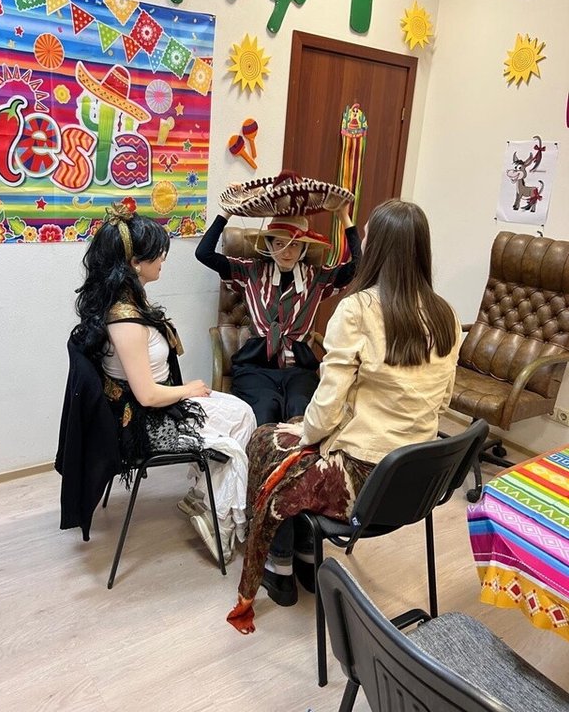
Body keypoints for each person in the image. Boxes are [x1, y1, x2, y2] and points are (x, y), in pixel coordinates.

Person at [226, 199, 463, 634]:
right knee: (289, 436)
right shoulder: (446, 314)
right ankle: (307, 556)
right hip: (419, 481)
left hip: (365, 480)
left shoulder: (358, 310)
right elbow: (443, 401)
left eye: (367, 235)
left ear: (379, 247)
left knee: (266, 442)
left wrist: (306, 435)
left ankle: (279, 567)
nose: (362, 242)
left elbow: (325, 410)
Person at [72, 203, 256, 564]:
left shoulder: (128, 301)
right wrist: (190, 389)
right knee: (239, 422)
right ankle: (213, 513)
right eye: (158, 253)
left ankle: (203, 496)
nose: (163, 259)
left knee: (241, 412)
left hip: (151, 407)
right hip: (146, 422)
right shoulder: (124, 320)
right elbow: (147, 394)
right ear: (134, 263)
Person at [195, 179, 361, 426]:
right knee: (265, 409)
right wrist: (227, 212)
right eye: (280, 243)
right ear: (270, 245)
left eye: (295, 245)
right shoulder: (250, 271)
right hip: (255, 368)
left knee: (300, 412)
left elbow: (358, 266)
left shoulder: (317, 278)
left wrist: (343, 216)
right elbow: (203, 253)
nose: (287, 251)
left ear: (303, 249)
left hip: (298, 370)